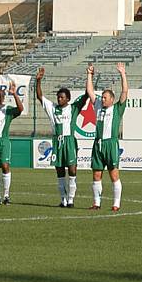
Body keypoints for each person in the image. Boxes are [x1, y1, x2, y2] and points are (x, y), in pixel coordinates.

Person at [36, 67, 87, 207]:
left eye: (62, 97)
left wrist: (89, 75)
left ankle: (71, 199)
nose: (59, 99)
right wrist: (38, 81)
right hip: (57, 142)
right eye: (58, 97)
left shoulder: (73, 108)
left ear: (68, 99)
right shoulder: (52, 108)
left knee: (72, 170)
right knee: (59, 171)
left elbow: (87, 95)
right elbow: (40, 96)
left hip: (69, 141)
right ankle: (63, 199)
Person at [86, 63, 128, 212]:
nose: (102, 100)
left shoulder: (117, 109)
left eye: (105, 98)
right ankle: (96, 203)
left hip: (111, 144)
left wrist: (122, 73)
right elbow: (90, 91)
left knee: (114, 174)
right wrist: (89, 75)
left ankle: (116, 204)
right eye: (102, 97)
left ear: (111, 99)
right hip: (98, 144)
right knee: (96, 174)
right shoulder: (98, 106)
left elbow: (124, 92)